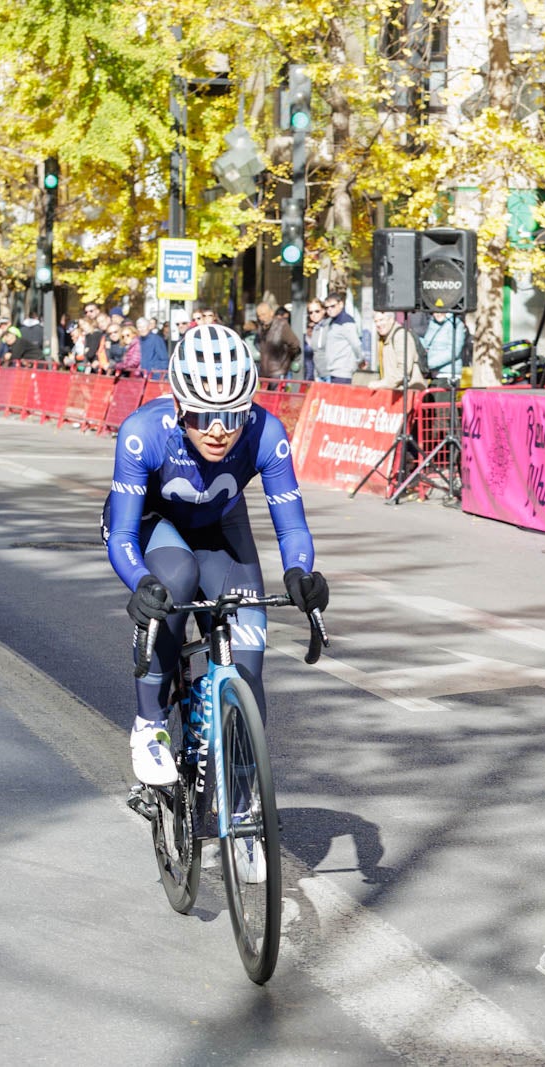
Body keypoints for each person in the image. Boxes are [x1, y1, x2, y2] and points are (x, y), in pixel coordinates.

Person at [105, 323, 329, 831]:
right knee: (175, 580)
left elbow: (292, 526)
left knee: (248, 668)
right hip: (152, 527)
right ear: (180, 405)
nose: (218, 429)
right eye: (204, 415)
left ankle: (245, 798)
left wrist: (301, 575)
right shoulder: (143, 434)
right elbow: (121, 535)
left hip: (222, 531)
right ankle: (151, 725)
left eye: (232, 414)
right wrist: (141, 583)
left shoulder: (266, 434)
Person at [368, 310, 426, 390]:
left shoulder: (400, 336)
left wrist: (382, 384)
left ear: (391, 320)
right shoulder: (384, 338)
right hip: (395, 392)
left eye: (381, 320)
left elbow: (404, 370)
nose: (378, 324)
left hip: (408, 393)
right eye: (376, 321)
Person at [317, 293, 363, 384]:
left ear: (341, 304)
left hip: (343, 372)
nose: (329, 309)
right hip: (333, 371)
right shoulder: (332, 321)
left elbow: (356, 344)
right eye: (327, 307)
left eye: (333, 306)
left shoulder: (346, 322)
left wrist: (360, 360)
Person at [253, 300, 301, 380]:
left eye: (263, 314)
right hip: (264, 373)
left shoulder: (282, 325)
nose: (261, 318)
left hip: (279, 372)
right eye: (259, 316)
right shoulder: (261, 328)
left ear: (271, 313)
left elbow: (295, 344)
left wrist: (287, 359)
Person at [420, 310, 468, 383]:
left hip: (448, 374)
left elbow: (453, 351)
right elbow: (427, 343)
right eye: (435, 312)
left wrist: (428, 364)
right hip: (432, 374)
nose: (438, 314)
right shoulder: (432, 323)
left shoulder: (456, 324)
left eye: (441, 311)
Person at [303, 300, 325, 379]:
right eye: (311, 312)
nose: (314, 314)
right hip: (316, 374)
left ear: (323, 310)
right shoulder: (316, 329)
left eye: (317, 311)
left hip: (329, 373)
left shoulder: (329, 327)